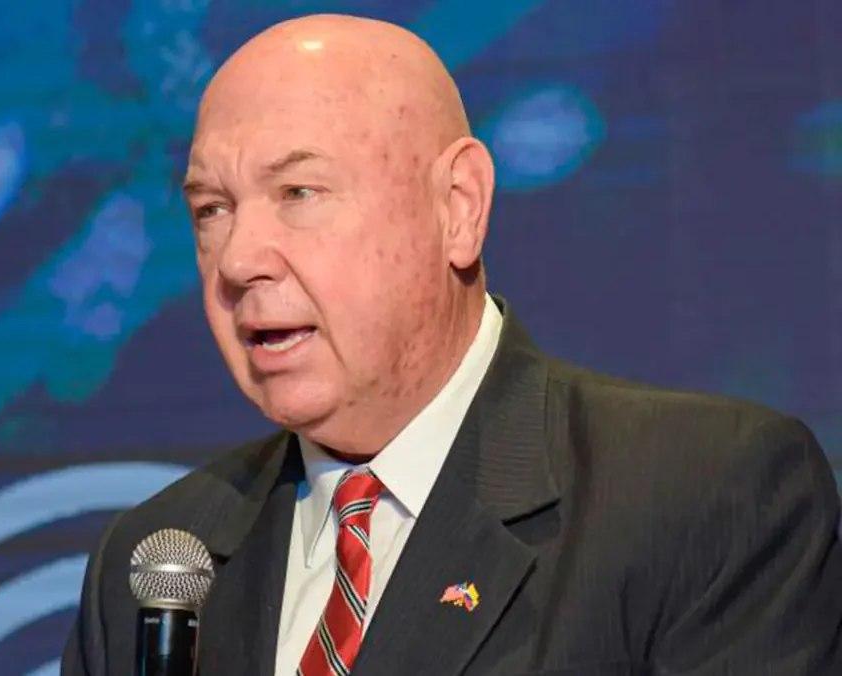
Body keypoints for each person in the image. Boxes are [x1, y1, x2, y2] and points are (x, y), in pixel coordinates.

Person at [63, 14, 842, 675]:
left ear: (458, 207)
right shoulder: (158, 564)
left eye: (298, 192)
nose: (238, 260)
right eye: (212, 209)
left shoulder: (702, 495)